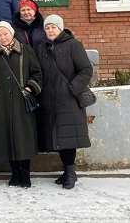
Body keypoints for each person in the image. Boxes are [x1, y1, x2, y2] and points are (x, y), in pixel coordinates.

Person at [0, 22, 42, 188]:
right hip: (0, 103)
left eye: (5, 34)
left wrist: (30, 87)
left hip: (22, 102)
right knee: (6, 137)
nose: (2, 37)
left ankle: (25, 173)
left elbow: (37, 73)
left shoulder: (26, 51)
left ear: (12, 33)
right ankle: (14, 172)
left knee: (24, 138)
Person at [36, 14, 93, 190]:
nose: (50, 30)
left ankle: (70, 172)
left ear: (60, 28)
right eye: (47, 28)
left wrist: (72, 89)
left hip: (68, 100)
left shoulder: (73, 45)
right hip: (49, 100)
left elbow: (85, 69)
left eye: (53, 27)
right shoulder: (41, 48)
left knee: (68, 138)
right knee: (57, 137)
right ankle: (67, 171)